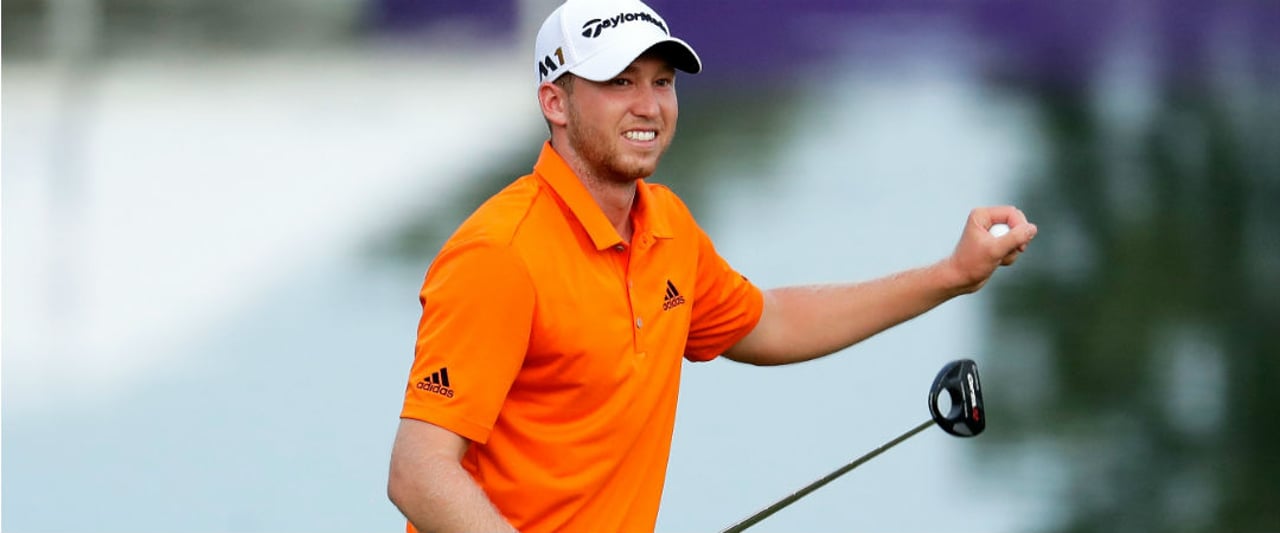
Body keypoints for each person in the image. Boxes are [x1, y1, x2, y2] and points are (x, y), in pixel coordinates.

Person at [386, 0, 1038, 531]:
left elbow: (771, 321)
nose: (649, 105)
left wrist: (951, 274)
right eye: (619, 82)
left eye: (661, 81)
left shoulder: (666, 224)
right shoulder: (501, 252)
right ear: (555, 103)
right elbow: (419, 473)